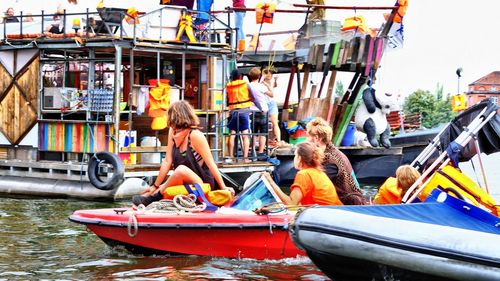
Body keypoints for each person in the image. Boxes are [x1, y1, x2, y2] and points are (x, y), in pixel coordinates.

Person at [132, 101, 234, 206]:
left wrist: (223, 187)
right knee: (151, 191)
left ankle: (155, 197)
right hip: (183, 180)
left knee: (181, 170)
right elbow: (167, 161)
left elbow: (211, 163)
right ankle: (154, 195)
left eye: (177, 129)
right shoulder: (172, 131)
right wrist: (155, 186)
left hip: (202, 183)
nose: (174, 132)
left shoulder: (195, 136)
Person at [306, 117, 366, 205]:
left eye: (307, 136)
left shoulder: (329, 160)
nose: (306, 140)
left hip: (349, 206)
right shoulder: (332, 152)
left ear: (316, 138)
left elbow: (315, 185)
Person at [264, 141, 343, 206]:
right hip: (334, 212)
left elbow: (291, 204)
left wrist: (270, 181)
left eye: (295, 155)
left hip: (326, 217)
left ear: (299, 158)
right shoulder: (318, 172)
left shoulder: (304, 174)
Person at [226, 69, 254, 163]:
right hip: (244, 111)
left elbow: (227, 99)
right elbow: (253, 96)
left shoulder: (228, 86)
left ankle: (230, 157)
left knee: (232, 134)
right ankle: (245, 158)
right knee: (245, 135)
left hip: (233, 111)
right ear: (241, 76)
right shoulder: (245, 84)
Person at [248, 67, 269, 157]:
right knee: (263, 133)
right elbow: (272, 94)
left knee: (253, 133)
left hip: (251, 111)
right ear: (259, 76)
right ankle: (260, 152)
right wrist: (266, 84)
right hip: (263, 110)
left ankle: (252, 151)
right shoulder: (261, 86)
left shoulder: (248, 86)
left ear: (250, 76)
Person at [261, 67, 281, 145]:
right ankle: (263, 142)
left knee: (275, 123)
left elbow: (273, 88)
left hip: (271, 104)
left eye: (270, 74)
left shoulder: (271, 82)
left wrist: (275, 80)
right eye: (267, 74)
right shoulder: (261, 83)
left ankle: (278, 140)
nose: (269, 75)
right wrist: (263, 78)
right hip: (264, 104)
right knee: (263, 124)